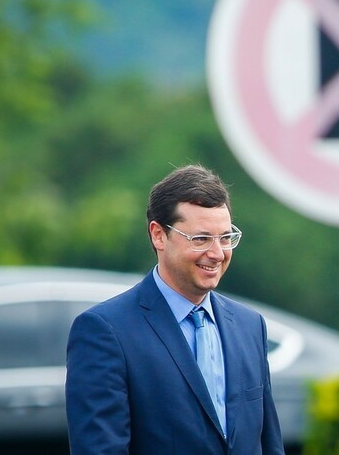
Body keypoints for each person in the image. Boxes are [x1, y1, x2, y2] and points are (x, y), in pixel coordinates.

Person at [66, 164, 285, 454]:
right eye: (201, 239)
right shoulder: (105, 331)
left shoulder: (249, 326)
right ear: (158, 235)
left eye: (225, 238)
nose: (217, 253)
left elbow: (269, 444)